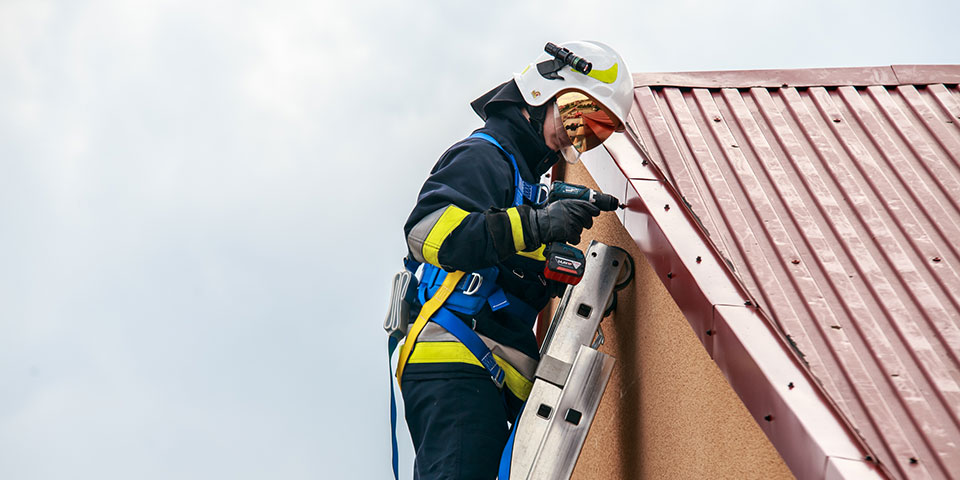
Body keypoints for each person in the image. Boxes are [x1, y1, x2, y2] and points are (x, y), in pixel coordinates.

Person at [396, 40, 634, 479]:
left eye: (591, 133)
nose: (575, 132)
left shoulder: (525, 179)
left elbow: (498, 257)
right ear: (543, 91)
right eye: (575, 112)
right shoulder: (484, 155)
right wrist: (539, 226)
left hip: (487, 374)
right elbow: (426, 231)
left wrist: (545, 265)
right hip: (457, 360)